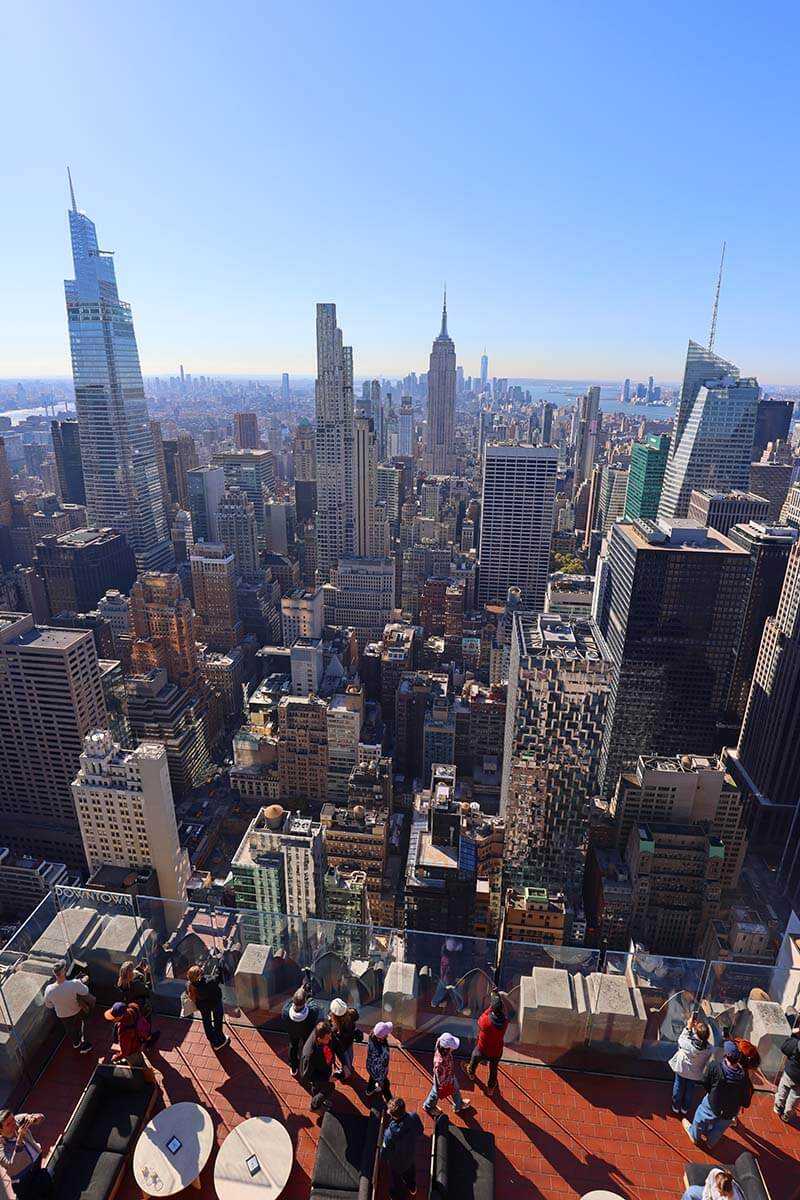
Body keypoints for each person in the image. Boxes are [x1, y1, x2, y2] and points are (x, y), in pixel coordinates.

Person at [683, 1041, 752, 1148]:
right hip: (730, 1110)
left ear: (725, 1055)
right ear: (738, 1059)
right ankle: (710, 1142)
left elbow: (705, 1082)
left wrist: (711, 1092)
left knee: (700, 1118)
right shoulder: (744, 1079)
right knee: (720, 1127)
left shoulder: (715, 1066)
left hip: (713, 1103)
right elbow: (746, 1102)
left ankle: (695, 1135)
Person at [42, 960, 92, 1055]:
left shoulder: (49, 989)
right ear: (64, 971)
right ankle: (85, 1044)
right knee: (83, 1024)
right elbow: (86, 991)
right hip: (76, 1011)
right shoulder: (74, 983)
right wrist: (81, 981)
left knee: (70, 1029)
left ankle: (76, 1043)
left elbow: (49, 1005)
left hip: (62, 1015)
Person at [0, 1110, 51, 1199]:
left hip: (36, 1163)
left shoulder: (17, 1121)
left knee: (46, 1188)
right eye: (8, 1124)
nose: (13, 1123)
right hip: (23, 1178)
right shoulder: (1, 1147)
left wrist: (35, 1118)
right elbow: (11, 1165)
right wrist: (19, 1140)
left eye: (12, 1119)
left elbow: (40, 1116)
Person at [668, 1013, 713, 1115]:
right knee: (690, 1089)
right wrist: (696, 1029)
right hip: (695, 1073)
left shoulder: (687, 1043)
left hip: (682, 1069)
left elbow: (681, 1039)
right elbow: (701, 1042)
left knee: (678, 1086)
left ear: (696, 1034)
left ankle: (676, 1106)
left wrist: (689, 1027)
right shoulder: (709, 1049)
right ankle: (685, 1108)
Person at [381, 1097, 423, 1199]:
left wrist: (385, 1158)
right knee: (410, 1172)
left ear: (393, 1116)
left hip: (397, 1163)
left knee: (396, 1180)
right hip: (410, 1156)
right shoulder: (414, 1117)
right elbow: (420, 1131)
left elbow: (386, 1152)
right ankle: (412, 1187)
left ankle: (398, 1196)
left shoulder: (390, 1134)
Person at [466, 991, 508, 1094]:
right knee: (493, 1070)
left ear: (492, 1009)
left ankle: (471, 1073)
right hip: (496, 1051)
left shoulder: (486, 1021)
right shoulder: (505, 1022)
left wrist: (490, 1007)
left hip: (483, 1048)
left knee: (474, 1057)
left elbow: (480, 1019)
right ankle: (490, 1088)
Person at [186, 953, 229, 1050]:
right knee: (218, 1021)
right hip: (215, 1003)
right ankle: (219, 1041)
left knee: (206, 1021)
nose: (202, 970)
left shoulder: (189, 984)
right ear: (199, 976)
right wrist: (219, 962)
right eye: (200, 971)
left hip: (202, 1006)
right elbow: (218, 976)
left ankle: (211, 1037)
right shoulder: (210, 981)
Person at [423, 1032, 471, 1116]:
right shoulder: (440, 1062)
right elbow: (440, 1076)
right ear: (447, 1049)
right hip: (444, 1080)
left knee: (455, 1088)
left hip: (449, 1076)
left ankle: (458, 1104)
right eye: (452, 1047)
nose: (453, 1049)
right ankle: (428, 1106)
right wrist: (445, 1085)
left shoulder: (440, 1044)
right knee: (436, 1093)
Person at [117, 960, 159, 1045]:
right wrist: (147, 974)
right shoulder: (136, 984)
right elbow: (147, 990)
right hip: (141, 1007)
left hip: (131, 1008)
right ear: (130, 973)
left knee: (137, 1022)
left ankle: (140, 1037)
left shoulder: (121, 982)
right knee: (146, 1022)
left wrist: (138, 969)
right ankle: (148, 1038)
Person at [281, 987, 321, 1077]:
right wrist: (309, 996)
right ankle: (305, 1066)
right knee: (306, 1049)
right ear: (304, 1003)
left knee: (293, 1047)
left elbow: (289, 1003)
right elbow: (314, 1006)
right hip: (307, 1033)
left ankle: (294, 1067)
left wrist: (299, 991)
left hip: (293, 1032)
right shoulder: (311, 1013)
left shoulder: (286, 1011)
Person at [299, 1020, 335, 1112]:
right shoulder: (309, 1055)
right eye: (327, 1038)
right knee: (330, 1087)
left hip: (323, 1069)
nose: (330, 1039)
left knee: (319, 1088)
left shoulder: (321, 1034)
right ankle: (314, 1105)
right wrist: (327, 1078)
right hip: (319, 1075)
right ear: (319, 1039)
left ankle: (319, 1098)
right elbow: (306, 1075)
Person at [104, 1001, 149, 1070]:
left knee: (138, 1068)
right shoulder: (132, 1011)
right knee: (139, 1057)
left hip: (133, 1051)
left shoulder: (125, 1032)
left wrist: (116, 1057)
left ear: (121, 1016)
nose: (113, 1019)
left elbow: (126, 1052)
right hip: (139, 1041)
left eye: (114, 1017)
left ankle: (147, 1077)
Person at [366, 1020, 402, 1101]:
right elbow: (381, 1066)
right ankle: (390, 1101)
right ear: (382, 1037)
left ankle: (369, 1090)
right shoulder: (383, 1052)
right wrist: (381, 1080)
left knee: (372, 1078)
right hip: (378, 1071)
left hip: (370, 1065)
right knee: (386, 1085)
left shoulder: (372, 1035)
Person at [774, 1019, 800, 1123]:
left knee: (783, 1088)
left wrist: (793, 1035)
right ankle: (787, 1114)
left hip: (790, 1072)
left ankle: (778, 1106)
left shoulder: (796, 1044)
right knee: (795, 1096)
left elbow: (784, 1047)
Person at [329, 997, 361, 1080]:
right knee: (350, 1057)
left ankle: (345, 1071)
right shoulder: (351, 1015)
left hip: (341, 1047)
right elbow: (356, 1016)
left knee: (345, 1061)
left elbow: (334, 1043)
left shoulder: (335, 1028)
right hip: (349, 1043)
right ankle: (348, 1068)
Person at [431, 939, 465, 1012]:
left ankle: (436, 1001)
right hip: (448, 978)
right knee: (449, 989)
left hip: (448, 977)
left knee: (448, 989)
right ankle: (435, 1001)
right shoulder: (449, 959)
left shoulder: (447, 956)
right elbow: (447, 971)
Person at [681, 1167, 745, 1200]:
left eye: (722, 1194)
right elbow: (707, 1188)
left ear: (727, 1192)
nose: (719, 1193)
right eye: (718, 1189)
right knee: (690, 1192)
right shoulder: (714, 1173)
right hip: (709, 1196)